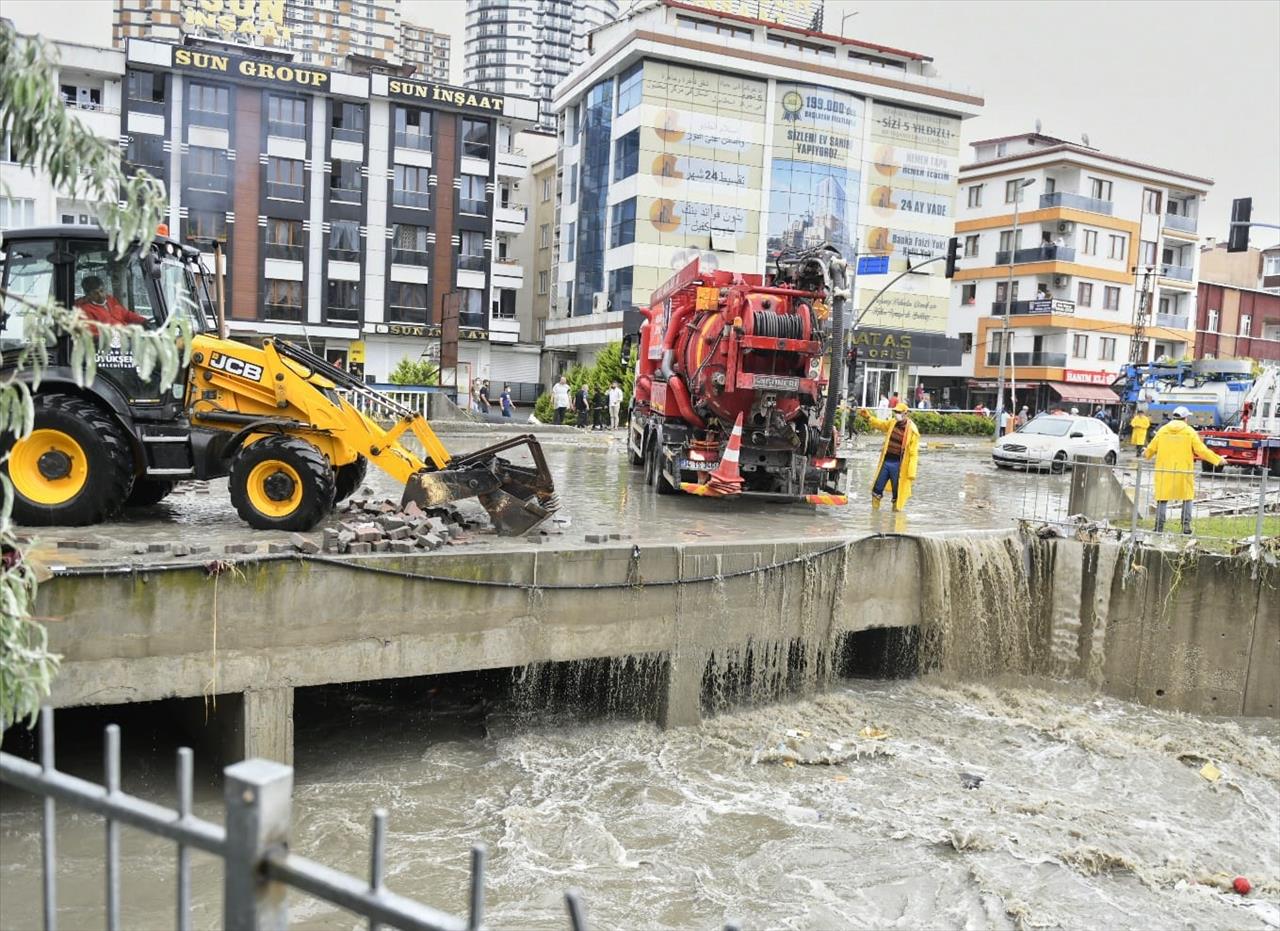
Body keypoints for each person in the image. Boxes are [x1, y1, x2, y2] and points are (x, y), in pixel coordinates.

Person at [1143, 405, 1225, 535]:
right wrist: (1218, 460)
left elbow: (1151, 448)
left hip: (1164, 470)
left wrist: (1146, 454)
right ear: (1185, 418)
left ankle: (1159, 527)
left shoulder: (1163, 430)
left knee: (1162, 498)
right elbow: (1201, 450)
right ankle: (1186, 527)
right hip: (1184, 471)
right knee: (1187, 497)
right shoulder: (1189, 432)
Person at [860, 401, 919, 512]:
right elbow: (880, 424)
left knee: (897, 492)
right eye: (895, 411)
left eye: (898, 412)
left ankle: (895, 518)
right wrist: (868, 417)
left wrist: (912, 472)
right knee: (877, 488)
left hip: (899, 465)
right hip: (886, 462)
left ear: (905, 413)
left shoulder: (912, 430)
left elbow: (913, 453)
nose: (896, 413)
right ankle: (875, 514)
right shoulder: (892, 423)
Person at [75, 275, 147, 327]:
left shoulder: (110, 300)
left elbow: (126, 314)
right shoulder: (85, 310)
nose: (101, 295)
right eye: (95, 293)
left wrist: (144, 321)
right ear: (87, 294)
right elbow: (95, 335)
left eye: (101, 291)